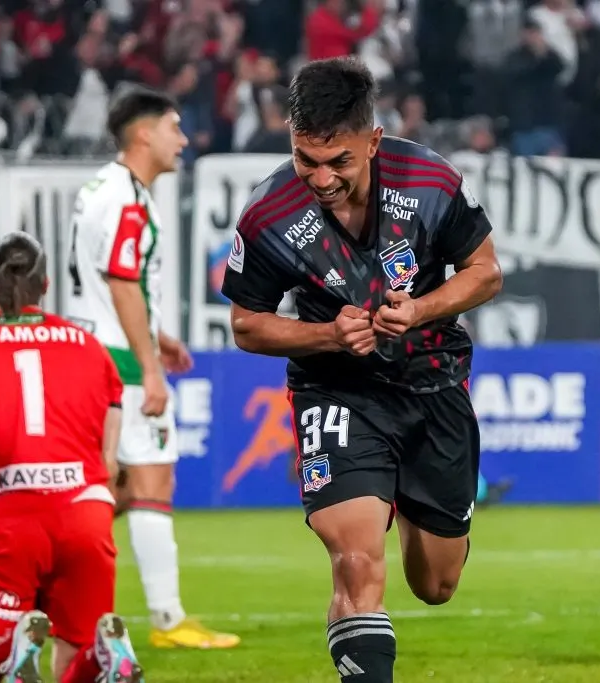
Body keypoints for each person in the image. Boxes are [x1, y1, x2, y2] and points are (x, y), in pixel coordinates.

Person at [221, 56, 503, 682]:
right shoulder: (268, 214)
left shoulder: (430, 181)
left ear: (373, 141)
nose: (321, 178)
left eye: (339, 161)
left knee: (436, 584)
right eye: (306, 159)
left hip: (432, 385)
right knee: (354, 559)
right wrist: (326, 334)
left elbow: (486, 272)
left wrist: (422, 308)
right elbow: (247, 324)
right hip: (336, 391)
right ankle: (366, 497)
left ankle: (396, 495)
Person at [64, 86, 240, 649]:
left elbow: (107, 280)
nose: (182, 140)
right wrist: (151, 367)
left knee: (110, 487)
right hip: (120, 363)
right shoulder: (129, 201)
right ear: (144, 134)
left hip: (90, 350)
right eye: (173, 128)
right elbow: (121, 282)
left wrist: (158, 337)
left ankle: (39, 588)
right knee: (152, 480)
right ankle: (168, 620)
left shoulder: (101, 187)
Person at [0, 232, 144, 683]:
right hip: (85, 516)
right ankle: (104, 655)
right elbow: (109, 466)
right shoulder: (91, 349)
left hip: (7, 521)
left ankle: (7, 647)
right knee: (73, 662)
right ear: (46, 285)